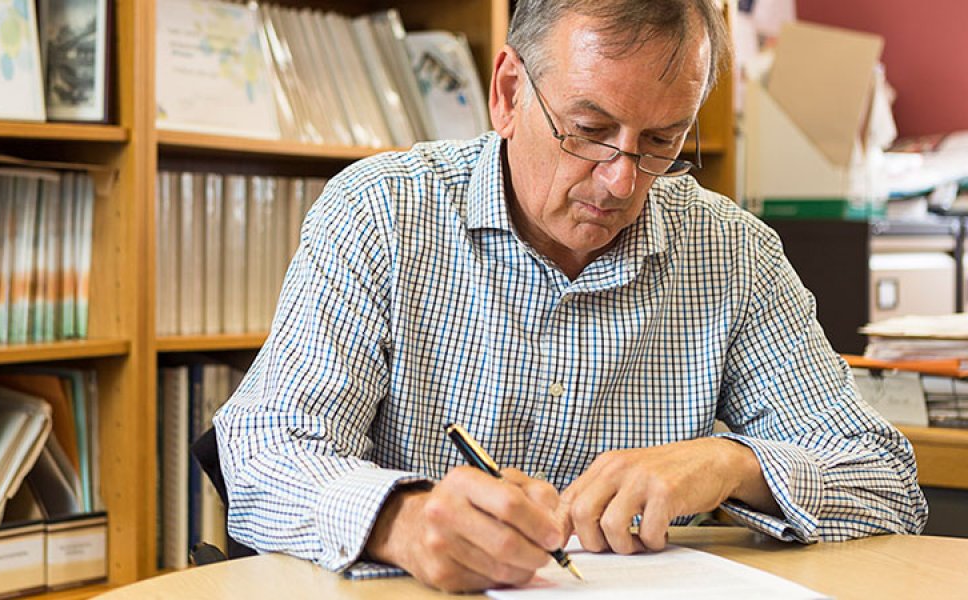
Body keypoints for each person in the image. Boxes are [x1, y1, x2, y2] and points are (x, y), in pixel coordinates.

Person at [213, 0, 928, 592]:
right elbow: (262, 454)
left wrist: (730, 464)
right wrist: (399, 520)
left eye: (661, 141)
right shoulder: (382, 216)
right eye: (588, 132)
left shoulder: (731, 253)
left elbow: (886, 478)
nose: (621, 182)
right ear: (508, 93)